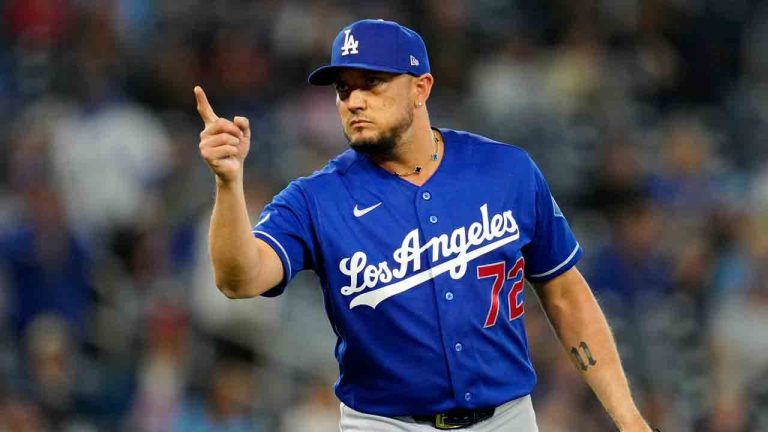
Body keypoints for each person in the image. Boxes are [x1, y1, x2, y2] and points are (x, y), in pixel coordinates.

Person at [194, 19, 656, 432]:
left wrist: (628, 418)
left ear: (421, 88)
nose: (354, 101)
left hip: (507, 419)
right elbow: (240, 280)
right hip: (383, 423)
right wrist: (228, 183)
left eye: (372, 83)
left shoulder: (505, 171)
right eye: (343, 89)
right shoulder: (316, 198)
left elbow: (566, 294)